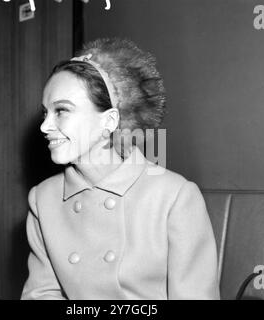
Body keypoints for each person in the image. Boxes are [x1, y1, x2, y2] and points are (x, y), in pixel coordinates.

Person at [21, 38, 220, 300]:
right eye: (45, 112)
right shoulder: (43, 200)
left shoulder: (174, 197)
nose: (44, 126)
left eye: (61, 111)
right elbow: (41, 294)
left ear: (110, 121)